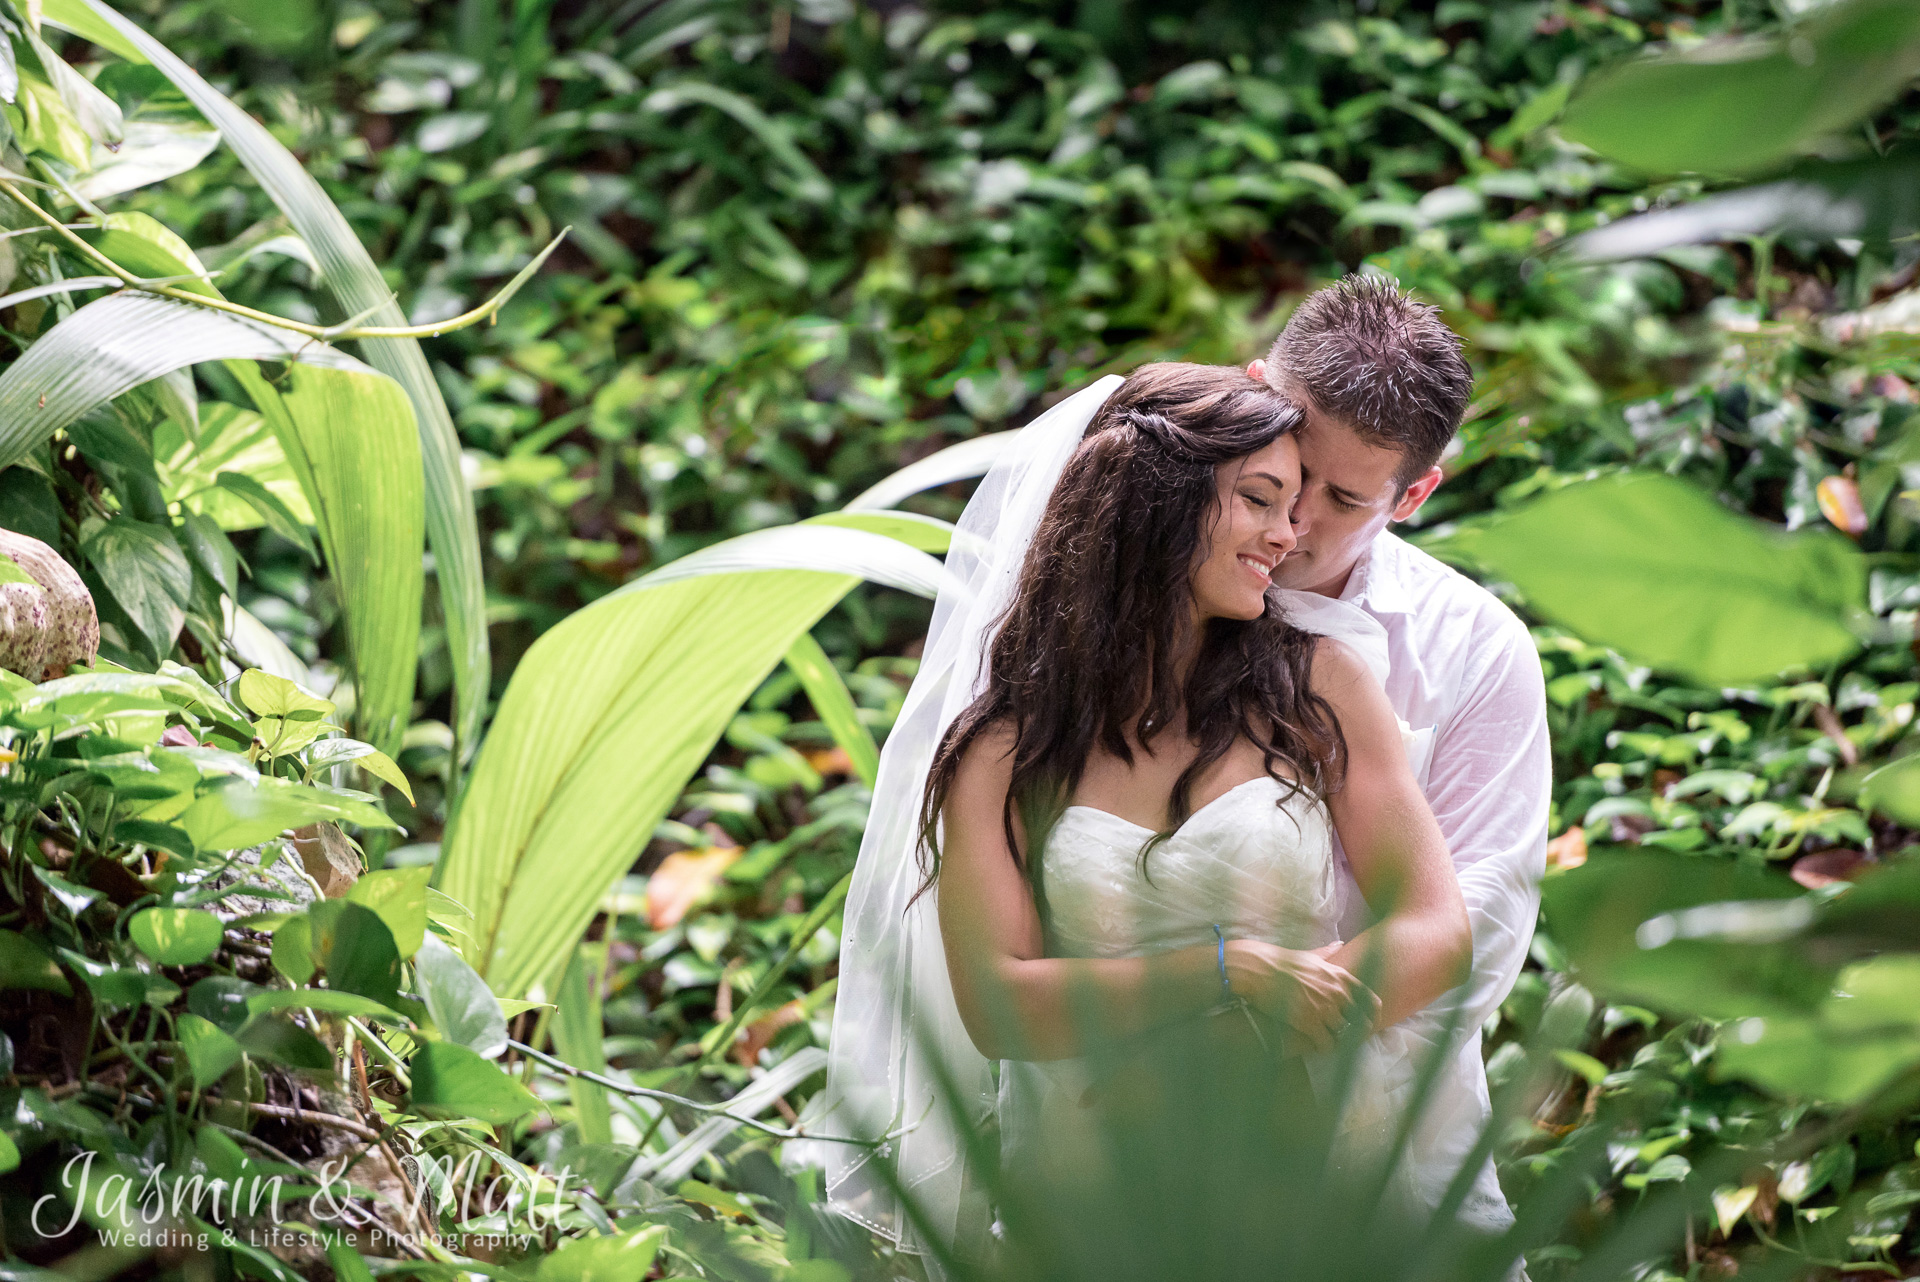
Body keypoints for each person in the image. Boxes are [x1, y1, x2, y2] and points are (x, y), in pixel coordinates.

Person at [1248, 275, 1551, 1235]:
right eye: (1287, 457)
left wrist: (1251, 1050)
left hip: (1377, 1144)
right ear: (1250, 390)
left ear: (1414, 493)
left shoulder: (1477, 652)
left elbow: (1484, 919)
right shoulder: (1115, 595)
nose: (1295, 518)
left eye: (1342, 498)